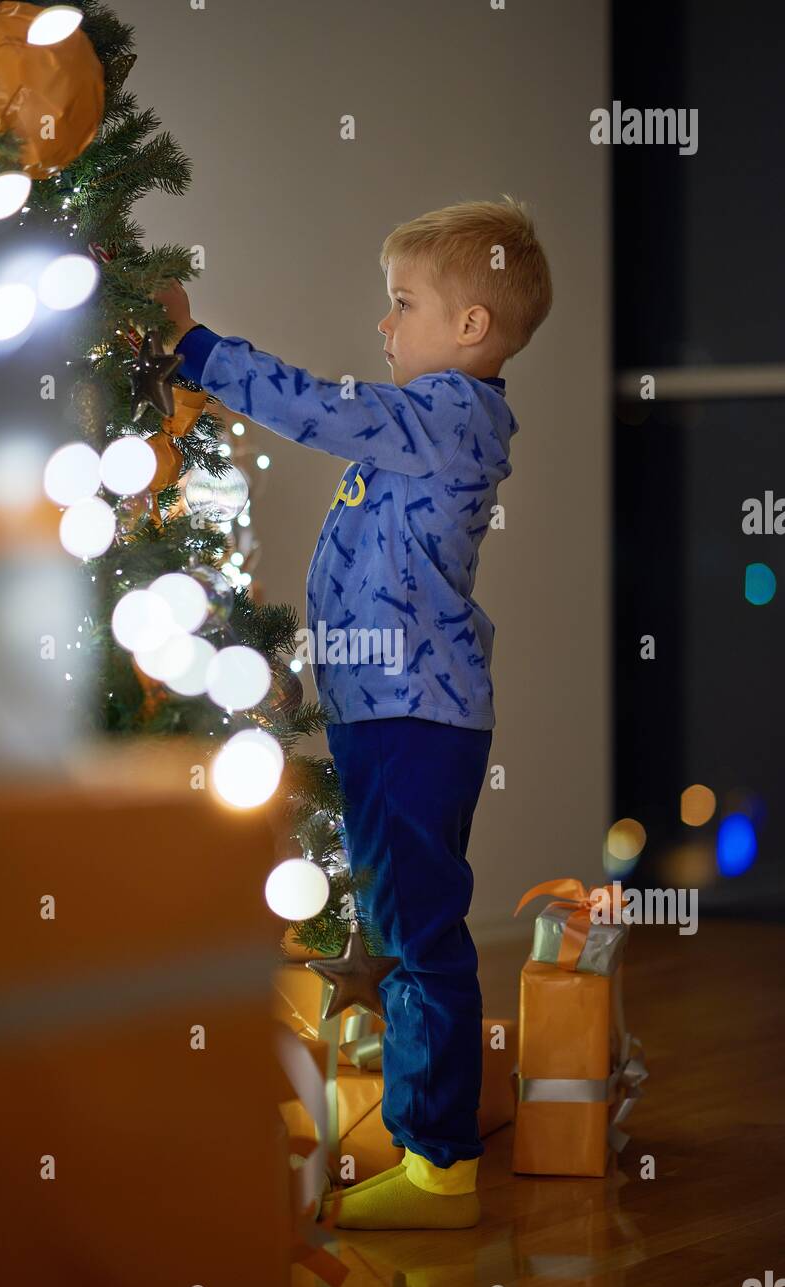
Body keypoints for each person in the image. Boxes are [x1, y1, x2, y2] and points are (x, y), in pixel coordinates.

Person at [155, 196, 552, 1229]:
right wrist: (302, 669)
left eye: (402, 304)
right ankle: (424, 1114)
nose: (384, 326)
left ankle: (440, 1165)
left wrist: (197, 348)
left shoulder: (450, 417)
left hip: (419, 720)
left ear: (470, 327)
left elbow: (318, 406)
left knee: (421, 931)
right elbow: (364, 577)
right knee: (396, 919)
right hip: (384, 710)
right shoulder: (421, 433)